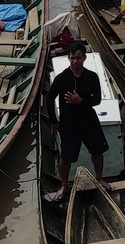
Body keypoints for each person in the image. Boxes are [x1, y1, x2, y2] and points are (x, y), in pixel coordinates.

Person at [45, 43, 109, 203]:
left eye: (78, 58)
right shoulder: (62, 78)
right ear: (69, 58)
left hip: (89, 122)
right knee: (65, 158)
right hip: (69, 124)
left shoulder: (92, 77)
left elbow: (97, 100)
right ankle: (64, 185)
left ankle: (99, 179)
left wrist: (80, 101)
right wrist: (54, 120)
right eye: (72, 58)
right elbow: (49, 98)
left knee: (97, 152)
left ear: (84, 58)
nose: (75, 61)